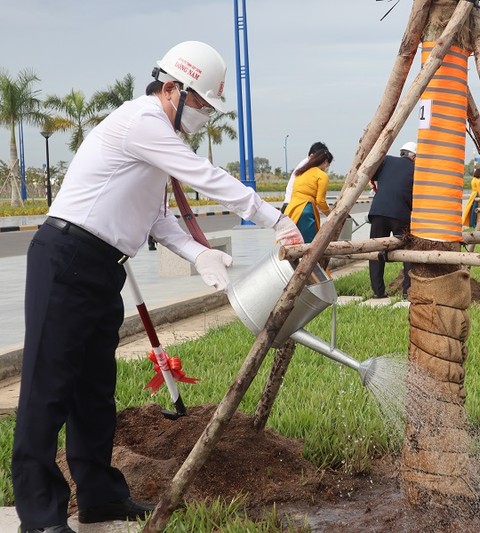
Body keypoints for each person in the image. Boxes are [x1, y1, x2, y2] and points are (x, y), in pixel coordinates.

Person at [12, 41, 303, 533]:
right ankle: (39, 515)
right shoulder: (143, 120)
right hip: (66, 259)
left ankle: (100, 495)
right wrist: (273, 216)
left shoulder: (156, 142)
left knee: (94, 391)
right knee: (48, 388)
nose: (205, 116)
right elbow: (204, 175)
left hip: (101, 268)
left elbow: (157, 220)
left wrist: (198, 252)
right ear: (173, 89)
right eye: (202, 105)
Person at [367, 142, 416, 299]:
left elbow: (370, 175)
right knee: (406, 251)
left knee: (375, 251)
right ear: (414, 156)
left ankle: (377, 292)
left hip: (378, 211)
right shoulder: (416, 168)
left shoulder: (386, 160)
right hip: (400, 213)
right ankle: (407, 292)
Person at [284, 148, 334, 243]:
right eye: (328, 164)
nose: (327, 167)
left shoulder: (301, 172)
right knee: (310, 246)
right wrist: (330, 215)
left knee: (292, 244)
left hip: (291, 210)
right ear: (325, 161)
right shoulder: (322, 175)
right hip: (305, 211)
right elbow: (320, 201)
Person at [280, 141, 329, 213]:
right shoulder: (308, 167)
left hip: (291, 206)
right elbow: (320, 200)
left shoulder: (306, 166)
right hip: (297, 207)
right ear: (312, 156)